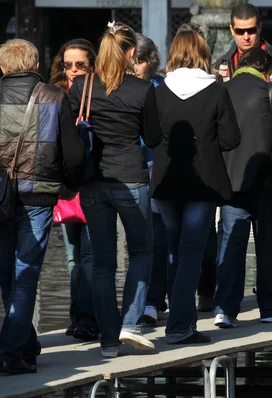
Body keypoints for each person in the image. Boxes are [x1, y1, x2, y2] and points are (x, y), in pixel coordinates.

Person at [68, 22, 161, 358]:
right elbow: (152, 138)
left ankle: (108, 341)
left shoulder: (81, 86)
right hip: (131, 178)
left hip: (93, 182)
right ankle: (131, 322)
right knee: (142, 252)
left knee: (103, 263)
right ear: (131, 52)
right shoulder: (142, 88)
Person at [0, 39, 85, 374]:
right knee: (26, 274)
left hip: (0, 197)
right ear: (36, 65)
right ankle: (9, 350)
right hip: (39, 195)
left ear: (3, 68)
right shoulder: (54, 96)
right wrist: (70, 185)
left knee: (9, 273)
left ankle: (26, 344)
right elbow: (74, 155)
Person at [152, 24, 240, 342]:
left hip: (165, 180)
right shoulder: (216, 90)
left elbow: (149, 136)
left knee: (174, 251)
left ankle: (178, 320)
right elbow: (231, 139)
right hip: (203, 181)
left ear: (174, 52)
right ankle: (179, 326)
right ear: (203, 53)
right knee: (191, 252)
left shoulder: (159, 90)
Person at [215, 48, 272, 328]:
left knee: (231, 245)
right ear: (267, 70)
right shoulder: (270, 90)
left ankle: (225, 309)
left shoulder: (221, 90)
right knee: (269, 246)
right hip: (268, 182)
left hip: (231, 183)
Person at [49, 39, 98, 341]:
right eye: (68, 64)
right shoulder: (55, 94)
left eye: (80, 64)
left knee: (90, 256)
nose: (74, 70)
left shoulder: (99, 93)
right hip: (67, 189)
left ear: (92, 64)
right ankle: (77, 316)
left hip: (94, 185)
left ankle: (88, 319)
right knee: (73, 258)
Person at [131, 33, 169, 326]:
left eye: (140, 61)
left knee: (157, 239)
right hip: (127, 171)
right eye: (131, 60)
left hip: (155, 168)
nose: (135, 66)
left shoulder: (160, 87)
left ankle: (153, 302)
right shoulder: (118, 86)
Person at [214, 3, 272, 93]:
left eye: (251, 30)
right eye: (239, 31)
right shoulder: (221, 66)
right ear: (232, 30)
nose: (246, 37)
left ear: (259, 28)